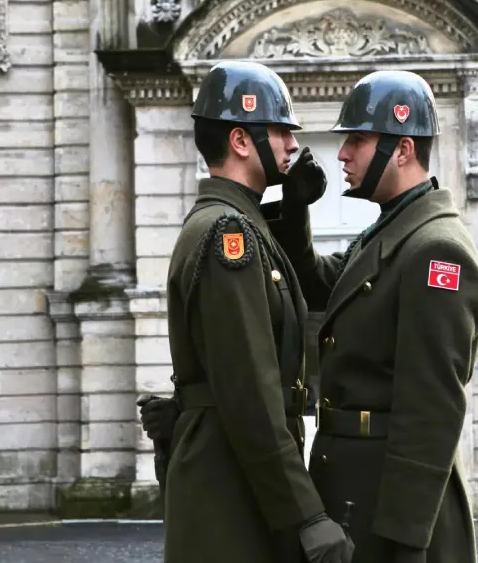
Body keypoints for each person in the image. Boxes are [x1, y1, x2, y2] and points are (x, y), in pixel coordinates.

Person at [263, 70, 478, 563]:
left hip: (392, 507)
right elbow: (322, 286)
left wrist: (406, 540)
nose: (342, 153)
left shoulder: (436, 252)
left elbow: (431, 409)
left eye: (358, 140)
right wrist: (295, 209)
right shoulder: (391, 232)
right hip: (355, 487)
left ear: (403, 149)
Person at [144, 60, 354, 563]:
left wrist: (294, 207)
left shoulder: (235, 223)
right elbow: (249, 392)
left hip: (236, 473)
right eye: (281, 131)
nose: (291, 145)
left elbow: (292, 280)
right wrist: (306, 515)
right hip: (230, 483)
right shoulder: (227, 235)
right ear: (241, 141)